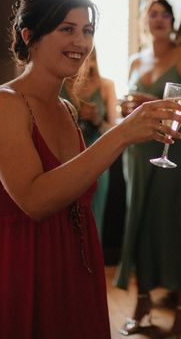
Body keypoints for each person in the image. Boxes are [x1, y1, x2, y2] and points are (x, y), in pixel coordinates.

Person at [0, 0, 181, 339]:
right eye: (67, 29)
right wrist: (122, 133)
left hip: (72, 268)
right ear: (30, 35)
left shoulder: (65, 108)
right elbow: (35, 200)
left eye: (87, 31)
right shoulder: (0, 105)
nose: (81, 42)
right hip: (11, 273)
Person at [115, 0, 181, 338]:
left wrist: (150, 104)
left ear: (173, 21)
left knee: (172, 225)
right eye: (153, 14)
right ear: (143, 21)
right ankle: (142, 301)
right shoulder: (134, 61)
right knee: (138, 224)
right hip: (137, 153)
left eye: (166, 14)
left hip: (175, 153)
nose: (160, 19)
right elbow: (129, 108)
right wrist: (128, 111)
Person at [61, 48, 117, 239]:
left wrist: (96, 119)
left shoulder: (106, 86)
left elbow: (113, 131)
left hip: (97, 160)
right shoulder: (60, 83)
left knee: (92, 217)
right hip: (65, 160)